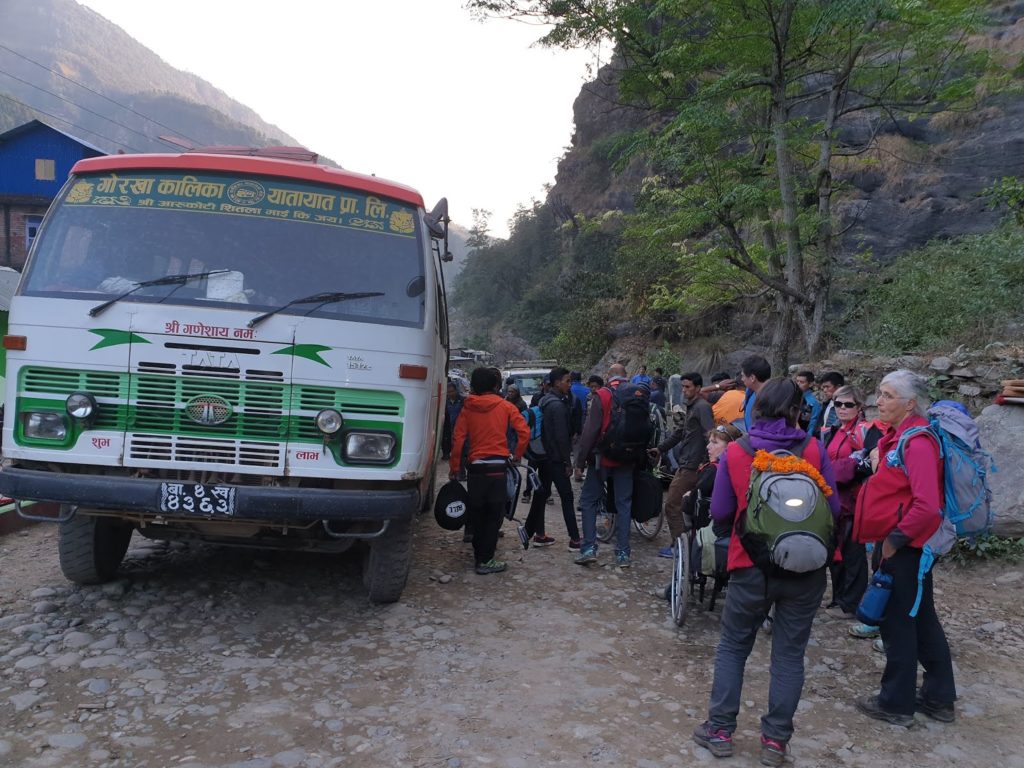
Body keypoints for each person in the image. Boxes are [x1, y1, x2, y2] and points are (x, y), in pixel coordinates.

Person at [693, 378, 840, 766]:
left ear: (755, 409)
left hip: (751, 567)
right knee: (789, 656)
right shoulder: (813, 448)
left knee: (733, 647)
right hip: (806, 569)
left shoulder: (738, 452)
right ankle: (775, 742)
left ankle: (721, 731)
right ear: (797, 411)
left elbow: (721, 511)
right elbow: (834, 510)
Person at [853, 370, 956, 726]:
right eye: (879, 393)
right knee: (922, 618)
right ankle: (939, 699)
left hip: (907, 548)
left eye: (887, 395)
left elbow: (927, 505)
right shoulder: (904, 438)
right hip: (908, 547)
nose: (878, 401)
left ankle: (895, 704)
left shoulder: (918, 443)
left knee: (897, 623)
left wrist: (895, 541)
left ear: (910, 403)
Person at [449, 367, 530, 575]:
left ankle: (479, 556)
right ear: (495, 386)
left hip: (475, 469)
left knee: (477, 512)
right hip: (497, 468)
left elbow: (458, 440)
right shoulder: (505, 406)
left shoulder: (467, 408)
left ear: (474, 387)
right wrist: (517, 455)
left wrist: (454, 468)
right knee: (494, 515)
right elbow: (524, 432)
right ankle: (486, 559)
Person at [573, 363, 638, 567]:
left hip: (603, 459)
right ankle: (623, 554)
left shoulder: (602, 395)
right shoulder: (638, 393)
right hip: (628, 458)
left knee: (589, 501)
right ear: (626, 376)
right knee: (624, 504)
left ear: (608, 376)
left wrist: (580, 461)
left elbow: (590, 431)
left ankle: (589, 548)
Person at [648, 372, 715, 558]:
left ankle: (679, 547)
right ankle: (686, 545)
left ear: (698, 388)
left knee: (672, 505)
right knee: (685, 507)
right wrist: (660, 449)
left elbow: (711, 435)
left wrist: (706, 462)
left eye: (688, 387)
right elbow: (679, 433)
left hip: (693, 467)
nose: (684, 390)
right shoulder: (691, 407)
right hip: (686, 463)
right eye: (683, 387)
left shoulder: (702, 408)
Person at [821, 385, 871, 618]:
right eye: (838, 404)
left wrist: (832, 471)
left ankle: (850, 603)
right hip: (834, 501)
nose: (842, 408)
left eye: (848, 404)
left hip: (855, 502)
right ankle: (838, 599)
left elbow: (868, 464)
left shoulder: (866, 432)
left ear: (859, 407)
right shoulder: (832, 431)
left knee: (853, 554)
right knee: (836, 551)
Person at [525, 367, 580, 548]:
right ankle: (575, 540)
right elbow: (562, 437)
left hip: (543, 457)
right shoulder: (557, 405)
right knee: (567, 497)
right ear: (557, 383)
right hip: (556, 459)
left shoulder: (544, 401)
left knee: (541, 495)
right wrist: (568, 462)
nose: (569, 385)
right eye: (567, 381)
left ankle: (539, 535)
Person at [740, 355, 771, 431]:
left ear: (752, 378)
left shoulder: (773, 400)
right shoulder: (750, 392)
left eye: (743, 376)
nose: (742, 379)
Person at [441, 381, 464, 461]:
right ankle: (446, 454)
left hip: (459, 426)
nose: (450, 394)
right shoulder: (445, 401)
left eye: (452, 391)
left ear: (456, 390)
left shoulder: (462, 400)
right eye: (448, 392)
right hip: (448, 426)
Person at [795, 370, 823, 437]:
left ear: (810, 384)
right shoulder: (794, 396)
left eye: (802, 382)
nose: (798, 384)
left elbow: (814, 421)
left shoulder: (814, 402)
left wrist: (808, 438)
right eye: (797, 381)